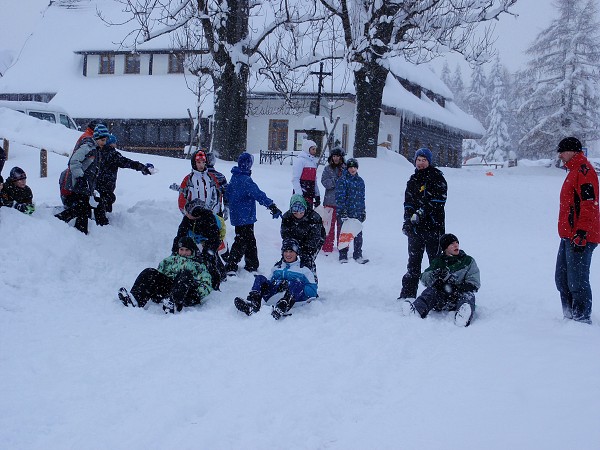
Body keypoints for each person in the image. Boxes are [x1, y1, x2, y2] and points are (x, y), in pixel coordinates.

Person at [555, 137, 599, 324]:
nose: (560, 155)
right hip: (568, 235)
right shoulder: (573, 171)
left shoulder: (585, 172)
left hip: (582, 236)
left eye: (562, 151)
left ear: (573, 151)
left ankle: (581, 320)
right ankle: (569, 316)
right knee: (562, 279)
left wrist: (581, 233)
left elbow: (589, 205)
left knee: (577, 282)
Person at [401, 233, 480, 327]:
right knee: (430, 292)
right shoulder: (438, 262)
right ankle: (417, 310)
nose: (456, 245)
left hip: (459, 296)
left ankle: (463, 316)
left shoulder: (468, 261)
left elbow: (474, 282)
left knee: (468, 296)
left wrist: (457, 288)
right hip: (442, 299)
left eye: (456, 242)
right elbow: (424, 278)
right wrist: (434, 276)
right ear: (445, 248)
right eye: (452, 244)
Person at [118, 236, 213, 314]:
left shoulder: (198, 264)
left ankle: (174, 303)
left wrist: (197, 294)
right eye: (181, 249)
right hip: (167, 291)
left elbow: (206, 283)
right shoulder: (169, 261)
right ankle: (136, 299)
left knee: (185, 274)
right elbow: (158, 276)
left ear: (192, 251)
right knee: (150, 271)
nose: (184, 253)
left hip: (187, 293)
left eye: (187, 250)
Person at [399, 148, 447, 299]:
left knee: (435, 262)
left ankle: (438, 295)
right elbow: (408, 203)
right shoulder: (412, 180)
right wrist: (408, 221)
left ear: (429, 161)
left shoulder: (437, 178)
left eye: (424, 160)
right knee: (413, 262)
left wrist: (422, 212)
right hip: (416, 230)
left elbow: (439, 200)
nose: (420, 163)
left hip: (433, 228)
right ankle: (408, 294)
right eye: (418, 160)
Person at [225, 152, 283, 275]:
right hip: (245, 216)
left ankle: (252, 264)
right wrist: (271, 205)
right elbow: (258, 194)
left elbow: (227, 194)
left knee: (249, 239)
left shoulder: (235, 177)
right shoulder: (245, 180)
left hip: (238, 215)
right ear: (248, 165)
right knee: (242, 240)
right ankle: (231, 265)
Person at [234, 238, 318, 319]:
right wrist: (278, 284)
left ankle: (283, 306)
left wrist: (291, 286)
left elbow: (313, 291)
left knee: (297, 283)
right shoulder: (277, 267)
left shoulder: (303, 269)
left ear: (296, 253)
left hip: (294, 298)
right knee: (260, 278)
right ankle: (253, 304)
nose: (288, 254)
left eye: (291, 251)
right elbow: (268, 283)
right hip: (275, 294)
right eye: (286, 251)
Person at [55, 123, 110, 234]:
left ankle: (69, 225)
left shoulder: (97, 149)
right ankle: (77, 230)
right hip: (79, 184)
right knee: (82, 209)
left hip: (86, 185)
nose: (105, 143)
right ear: (97, 138)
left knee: (81, 208)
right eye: (103, 140)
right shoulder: (88, 147)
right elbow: (74, 161)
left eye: (106, 140)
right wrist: (81, 177)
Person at [94, 134, 153, 226]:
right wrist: (141, 167)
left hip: (97, 183)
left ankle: (99, 221)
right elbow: (127, 162)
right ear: (111, 143)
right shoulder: (113, 154)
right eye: (114, 143)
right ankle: (102, 224)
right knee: (107, 201)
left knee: (101, 201)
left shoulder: (98, 151)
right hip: (107, 185)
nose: (115, 145)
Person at [171, 198, 223, 290]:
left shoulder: (209, 219)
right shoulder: (187, 219)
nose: (186, 214)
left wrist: (207, 255)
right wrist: (175, 252)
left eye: (188, 212)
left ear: (195, 214)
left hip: (213, 237)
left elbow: (214, 240)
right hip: (197, 236)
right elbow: (180, 236)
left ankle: (217, 279)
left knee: (210, 258)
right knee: (193, 253)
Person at [281, 194, 326, 273]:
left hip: (314, 240)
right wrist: (290, 248)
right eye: (295, 213)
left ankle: (310, 278)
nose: (298, 215)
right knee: (289, 258)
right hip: (294, 239)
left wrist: (306, 251)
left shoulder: (314, 217)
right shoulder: (286, 217)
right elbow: (285, 235)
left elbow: (315, 237)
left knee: (307, 261)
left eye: (301, 212)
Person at [335, 157, 368, 264]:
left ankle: (358, 254)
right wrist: (342, 211)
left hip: (357, 212)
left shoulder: (360, 181)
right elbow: (340, 197)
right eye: (350, 167)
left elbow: (362, 197)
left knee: (358, 234)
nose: (352, 169)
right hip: (346, 212)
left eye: (354, 167)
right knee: (345, 234)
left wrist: (363, 211)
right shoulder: (343, 180)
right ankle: (343, 255)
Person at [178, 149, 220, 216]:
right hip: (192, 216)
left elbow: (216, 197)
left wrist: (211, 212)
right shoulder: (188, 179)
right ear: (194, 163)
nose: (201, 165)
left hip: (208, 216)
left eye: (203, 162)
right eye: (199, 162)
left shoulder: (211, 178)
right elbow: (182, 198)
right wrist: (187, 213)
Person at [320, 147, 346, 254]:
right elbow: (324, 182)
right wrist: (335, 180)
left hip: (342, 203)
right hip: (329, 202)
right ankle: (327, 247)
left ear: (341, 158)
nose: (336, 158)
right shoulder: (327, 169)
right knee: (328, 227)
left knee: (342, 227)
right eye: (334, 156)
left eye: (338, 156)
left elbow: (347, 184)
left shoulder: (346, 169)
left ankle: (342, 247)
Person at [292, 139, 321, 208]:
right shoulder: (300, 160)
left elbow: (314, 180)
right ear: (307, 149)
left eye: (315, 149)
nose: (315, 151)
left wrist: (317, 195)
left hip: (310, 193)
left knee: (309, 216)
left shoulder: (313, 162)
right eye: (313, 149)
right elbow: (295, 179)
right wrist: (299, 194)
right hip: (302, 192)